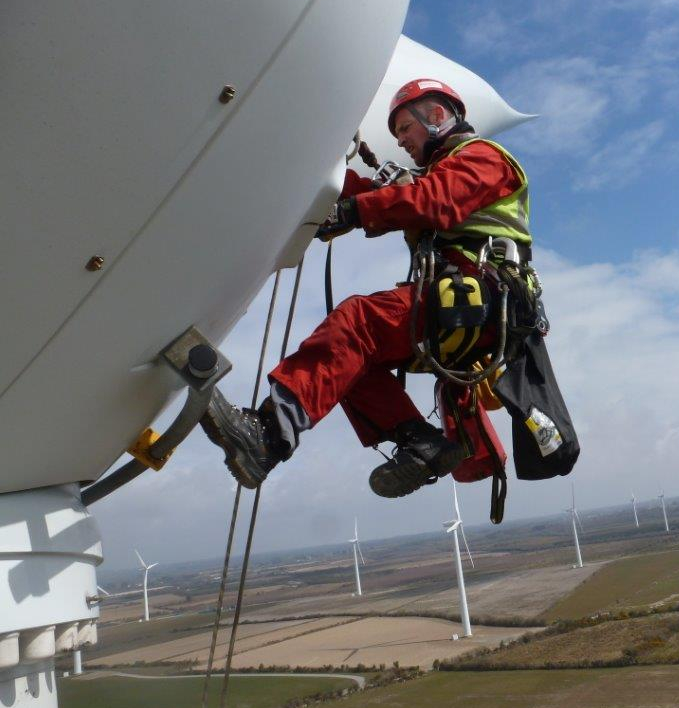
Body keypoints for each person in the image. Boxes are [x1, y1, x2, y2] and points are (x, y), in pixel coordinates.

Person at [200, 78, 532, 499]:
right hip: (462, 307)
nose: (403, 143)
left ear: (436, 116)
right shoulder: (437, 173)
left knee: (356, 324)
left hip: (484, 302)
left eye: (405, 130)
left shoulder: (482, 158)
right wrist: (323, 178)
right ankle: (422, 445)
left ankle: (266, 436)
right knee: (350, 361)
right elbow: (386, 193)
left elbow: (432, 200)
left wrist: (353, 212)